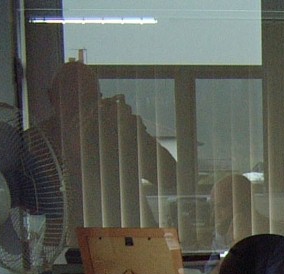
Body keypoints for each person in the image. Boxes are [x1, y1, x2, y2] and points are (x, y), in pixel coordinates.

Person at [35, 60, 177, 231]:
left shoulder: (114, 132)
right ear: (53, 98)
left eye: (89, 100)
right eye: (72, 99)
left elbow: (170, 176)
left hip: (132, 240)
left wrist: (131, 131)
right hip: (71, 246)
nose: (82, 109)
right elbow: (39, 204)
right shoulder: (37, 142)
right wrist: (71, 154)